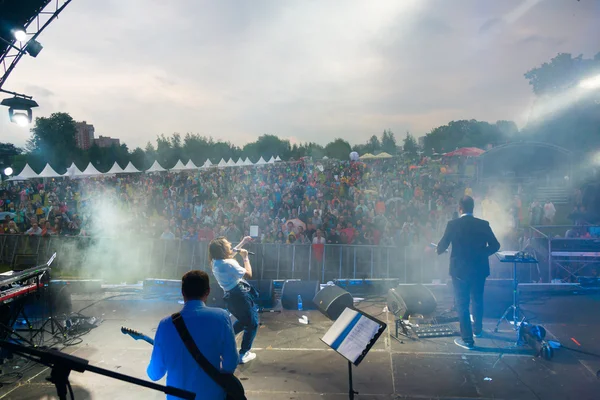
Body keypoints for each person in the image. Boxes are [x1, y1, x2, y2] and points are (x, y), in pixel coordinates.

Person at [147, 270, 238, 400]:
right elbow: (230, 364)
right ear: (208, 291)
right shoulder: (221, 317)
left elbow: (154, 374)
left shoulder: (165, 324)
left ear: (182, 292)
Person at [436, 196, 500, 350]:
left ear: (460, 208)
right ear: (473, 208)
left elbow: (442, 246)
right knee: (477, 299)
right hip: (479, 269)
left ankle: (467, 339)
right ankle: (477, 330)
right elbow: (495, 245)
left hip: (460, 270)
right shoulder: (483, 224)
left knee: (462, 303)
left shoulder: (453, 224)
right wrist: (481, 253)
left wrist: (438, 250)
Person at [209, 235, 259, 364]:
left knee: (243, 321)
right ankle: (244, 353)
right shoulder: (228, 263)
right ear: (222, 249)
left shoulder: (215, 261)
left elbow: (229, 254)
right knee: (252, 323)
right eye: (228, 245)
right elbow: (248, 274)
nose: (230, 245)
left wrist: (243, 242)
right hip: (239, 295)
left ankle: (222, 341)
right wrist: (245, 257)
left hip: (230, 295)